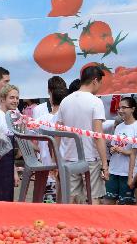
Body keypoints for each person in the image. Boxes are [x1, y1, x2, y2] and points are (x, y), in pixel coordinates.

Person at [55, 64, 108, 204]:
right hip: (90, 158)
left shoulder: (65, 101)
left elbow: (58, 134)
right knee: (93, 198)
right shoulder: (96, 102)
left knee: (71, 198)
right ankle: (92, 226)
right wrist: (105, 164)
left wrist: (57, 161)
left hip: (69, 158)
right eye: (100, 83)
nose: (100, 86)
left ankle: (68, 226)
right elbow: (98, 135)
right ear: (95, 81)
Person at [105, 97, 137, 205]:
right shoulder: (118, 127)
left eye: (124, 107)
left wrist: (122, 151)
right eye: (119, 108)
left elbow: (135, 153)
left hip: (127, 172)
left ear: (132, 109)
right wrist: (113, 149)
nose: (120, 110)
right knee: (108, 201)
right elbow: (113, 147)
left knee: (126, 204)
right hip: (114, 170)